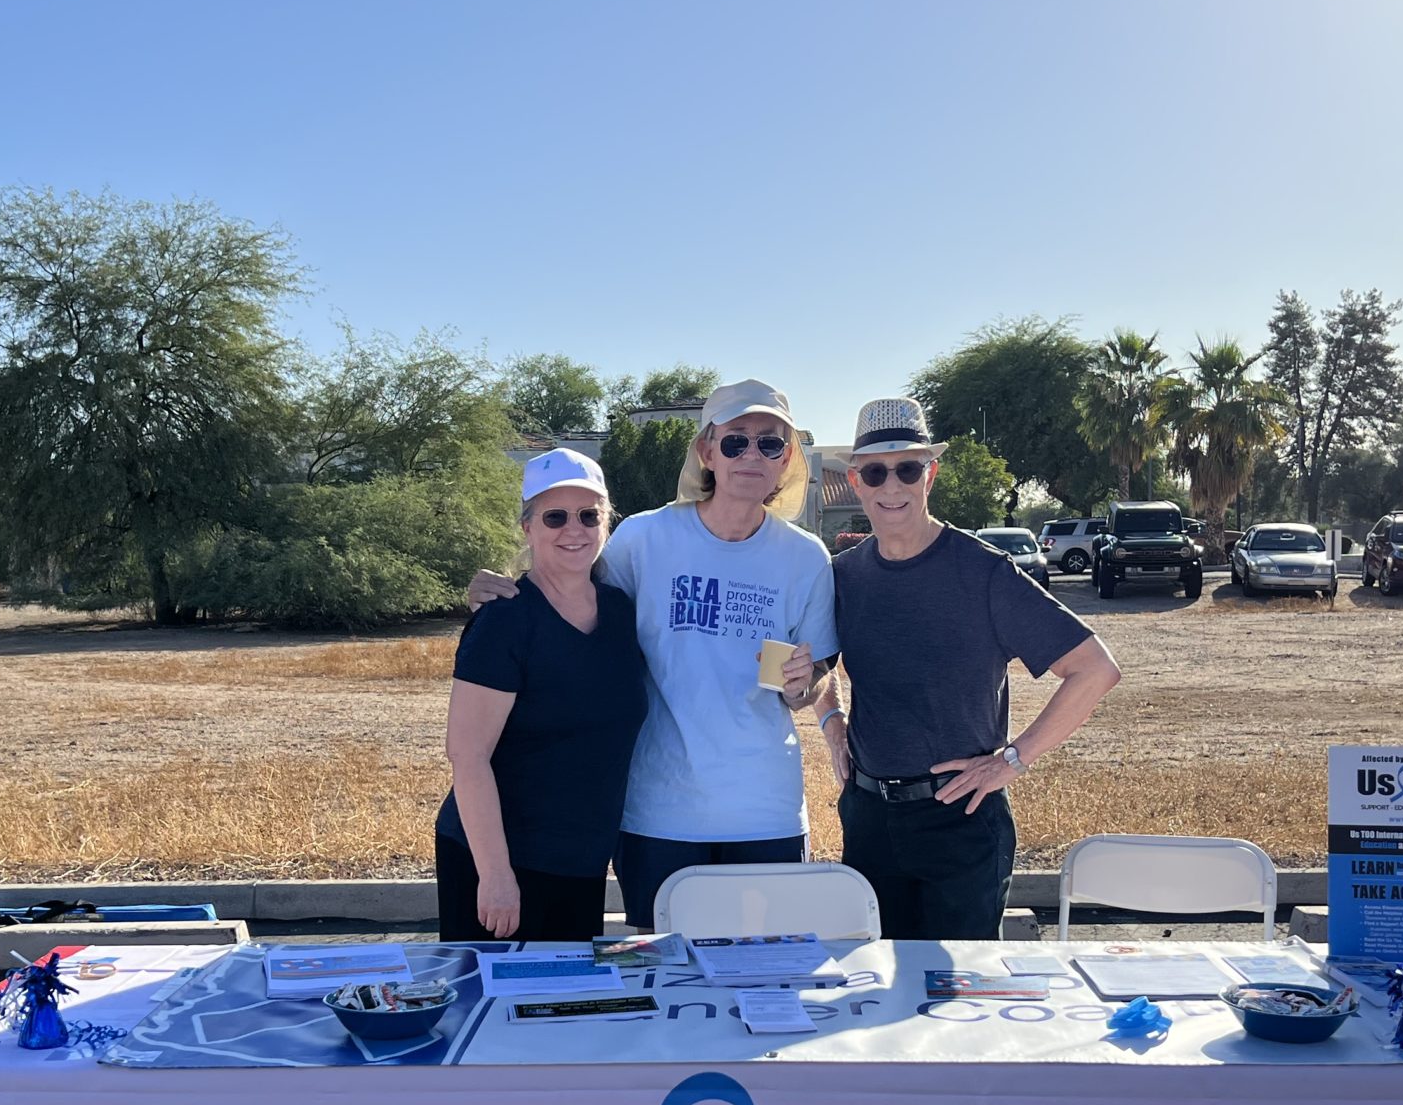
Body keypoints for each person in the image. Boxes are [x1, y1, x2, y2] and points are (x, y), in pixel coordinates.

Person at [469, 379, 837, 929]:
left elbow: (816, 678)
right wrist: (498, 591)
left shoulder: (806, 557)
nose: (752, 455)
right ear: (706, 451)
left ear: (787, 459)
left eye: (770, 443)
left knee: (764, 968)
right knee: (664, 973)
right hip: (659, 813)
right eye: (735, 440)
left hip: (766, 811)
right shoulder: (643, 539)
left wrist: (804, 686)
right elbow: (564, 589)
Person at [813, 396, 1121, 940]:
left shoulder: (984, 573)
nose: (891, 486)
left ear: (929, 474)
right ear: (856, 482)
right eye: (876, 472)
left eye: (908, 469)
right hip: (868, 817)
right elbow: (818, 665)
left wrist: (1013, 760)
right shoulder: (842, 576)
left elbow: (1095, 669)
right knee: (872, 981)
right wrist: (831, 722)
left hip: (962, 817)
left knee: (962, 988)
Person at [434, 449, 648, 941]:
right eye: (555, 516)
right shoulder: (505, 620)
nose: (574, 529)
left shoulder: (620, 611)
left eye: (588, 515)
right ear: (527, 527)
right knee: (495, 991)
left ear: (606, 524)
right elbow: (467, 755)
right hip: (503, 865)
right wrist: (496, 876)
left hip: (581, 862)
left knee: (569, 989)